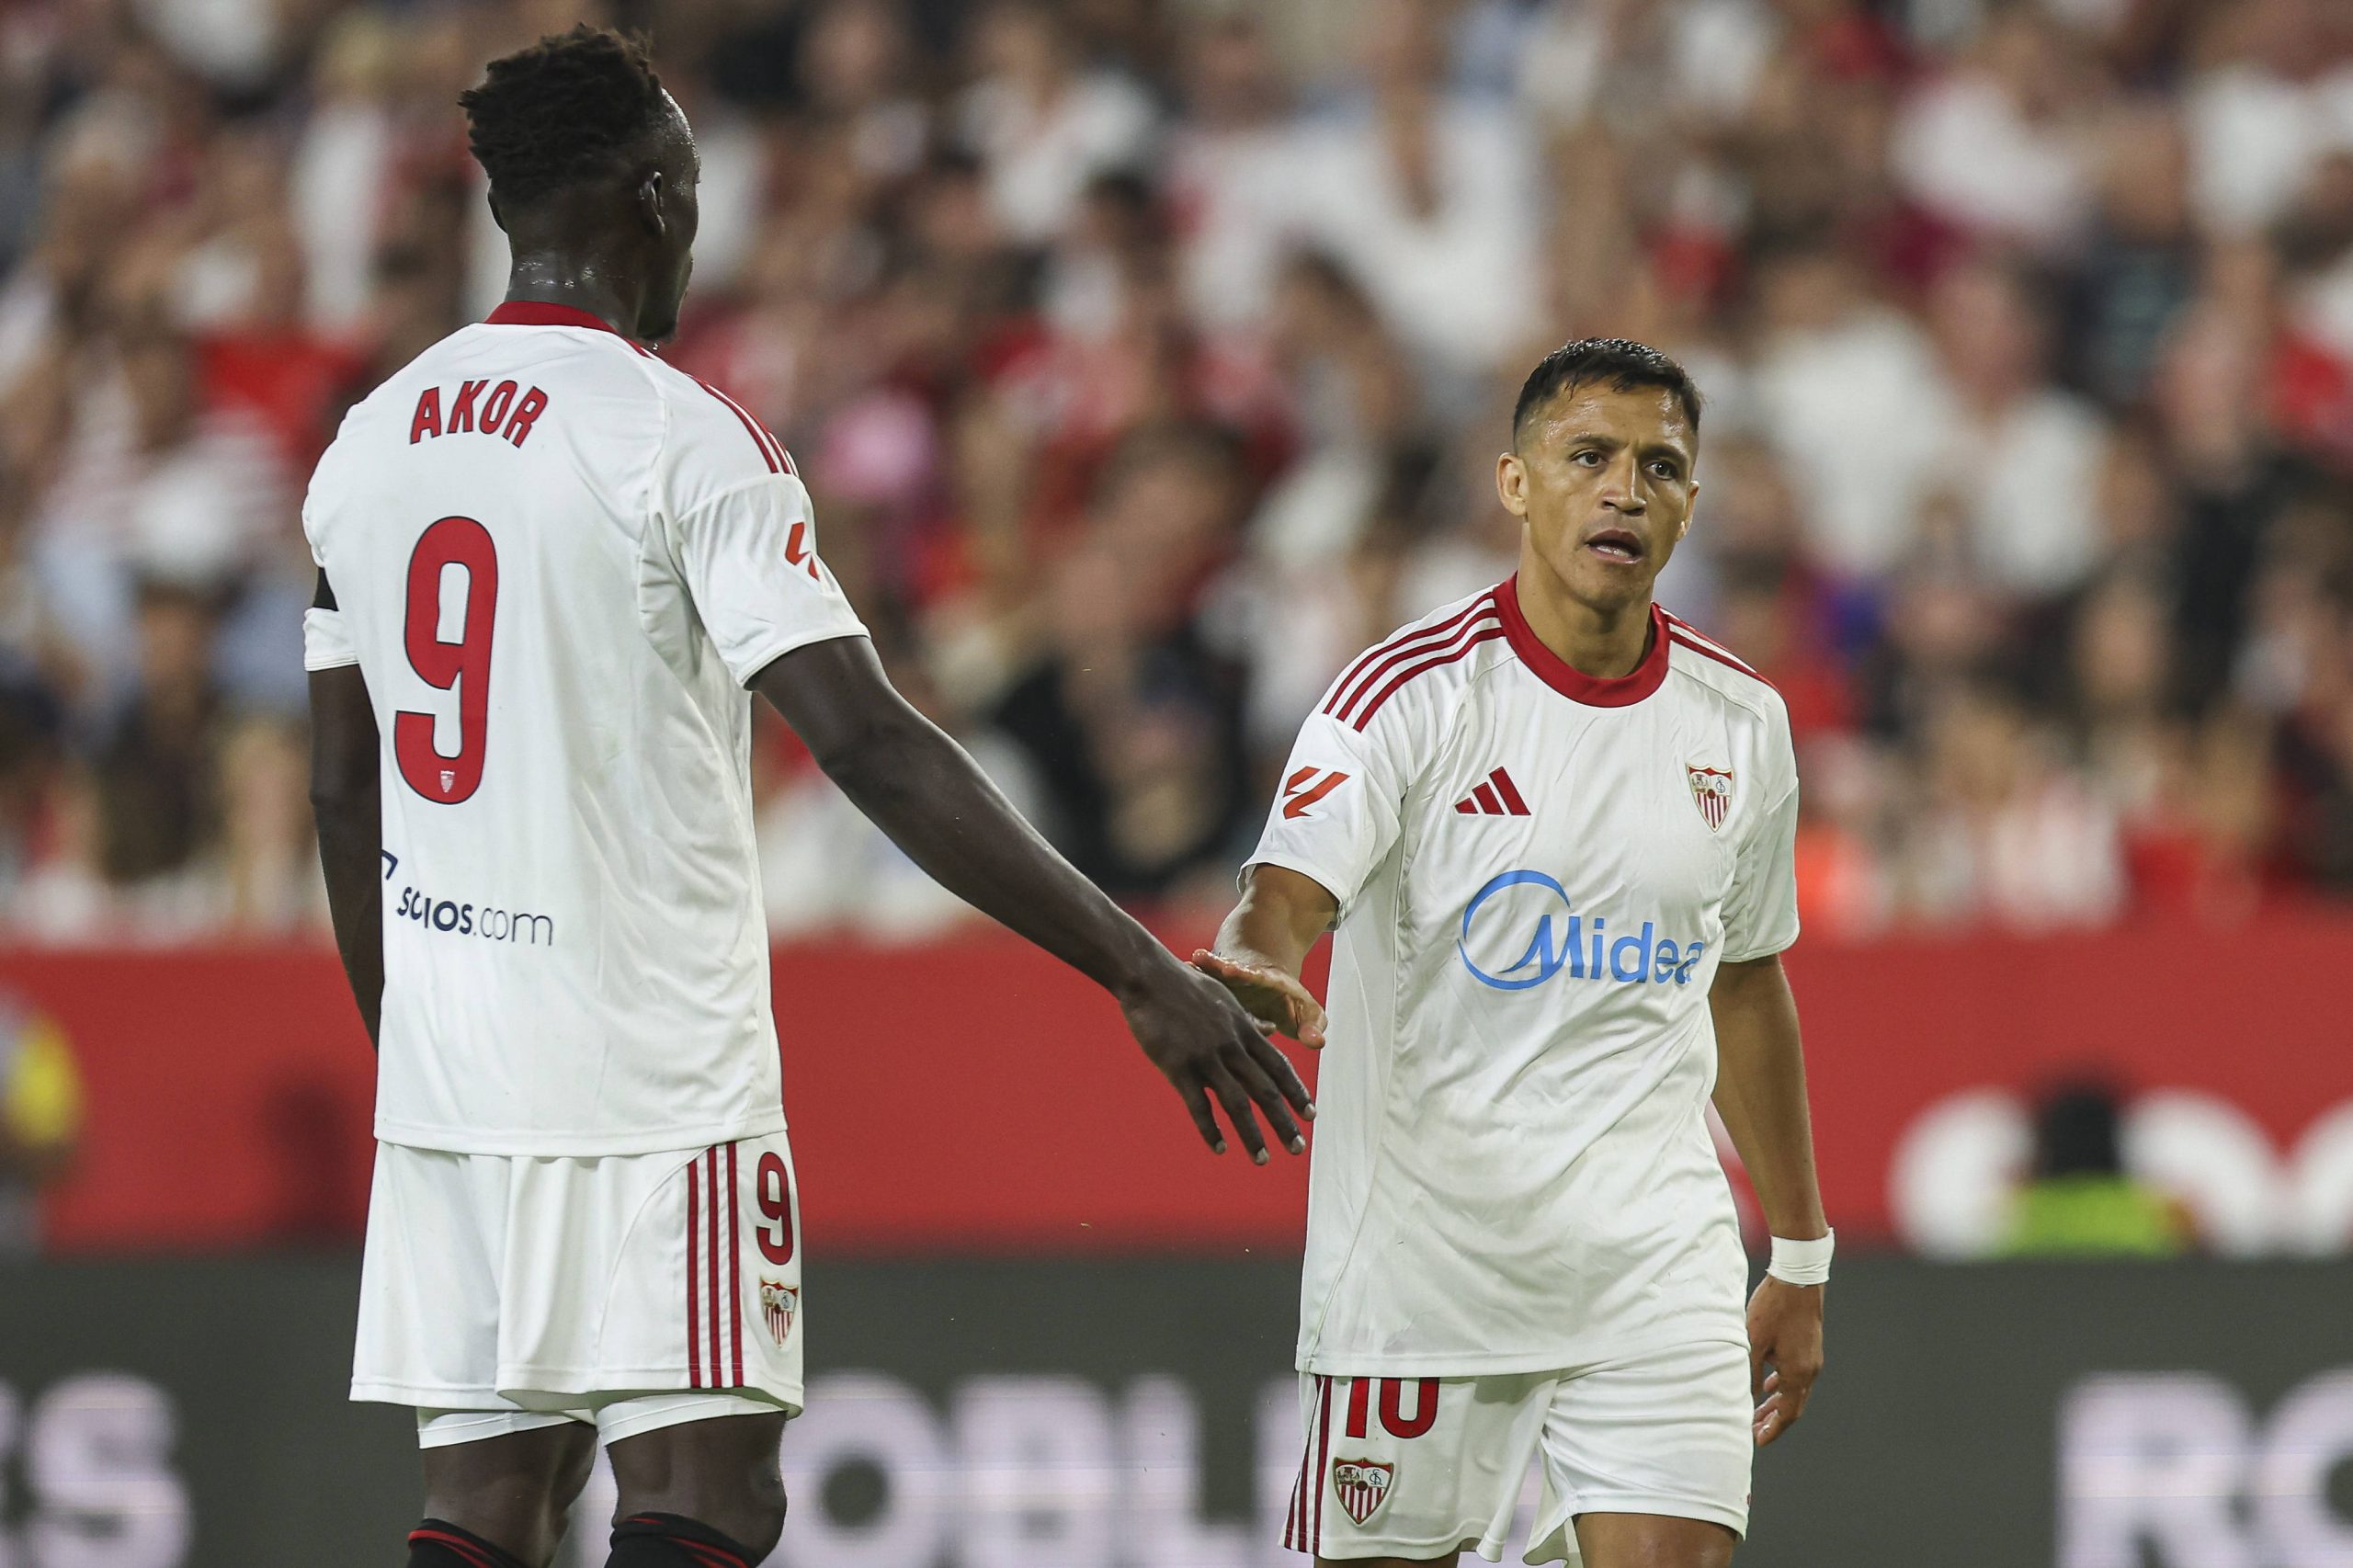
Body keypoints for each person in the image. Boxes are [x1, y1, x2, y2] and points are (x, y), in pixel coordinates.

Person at [301, 28, 1311, 1568]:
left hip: (456, 1067)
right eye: (693, 185)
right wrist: (1140, 969)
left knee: (490, 1504)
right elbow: (872, 744)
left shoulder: (369, 447)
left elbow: (338, 781)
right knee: (708, 1498)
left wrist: (416, 1048)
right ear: (652, 196)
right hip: (651, 1071)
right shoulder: (680, 438)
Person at [1193, 339, 1830, 1567]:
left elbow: (1748, 980)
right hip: (1426, 1270)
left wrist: (1801, 1257)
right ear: (1516, 483)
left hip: (1656, 1260)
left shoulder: (1741, 722)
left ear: (1693, 502)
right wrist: (1256, 956)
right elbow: (1280, 894)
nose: (1626, 490)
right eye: (1589, 455)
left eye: (1661, 466)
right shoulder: (1406, 696)